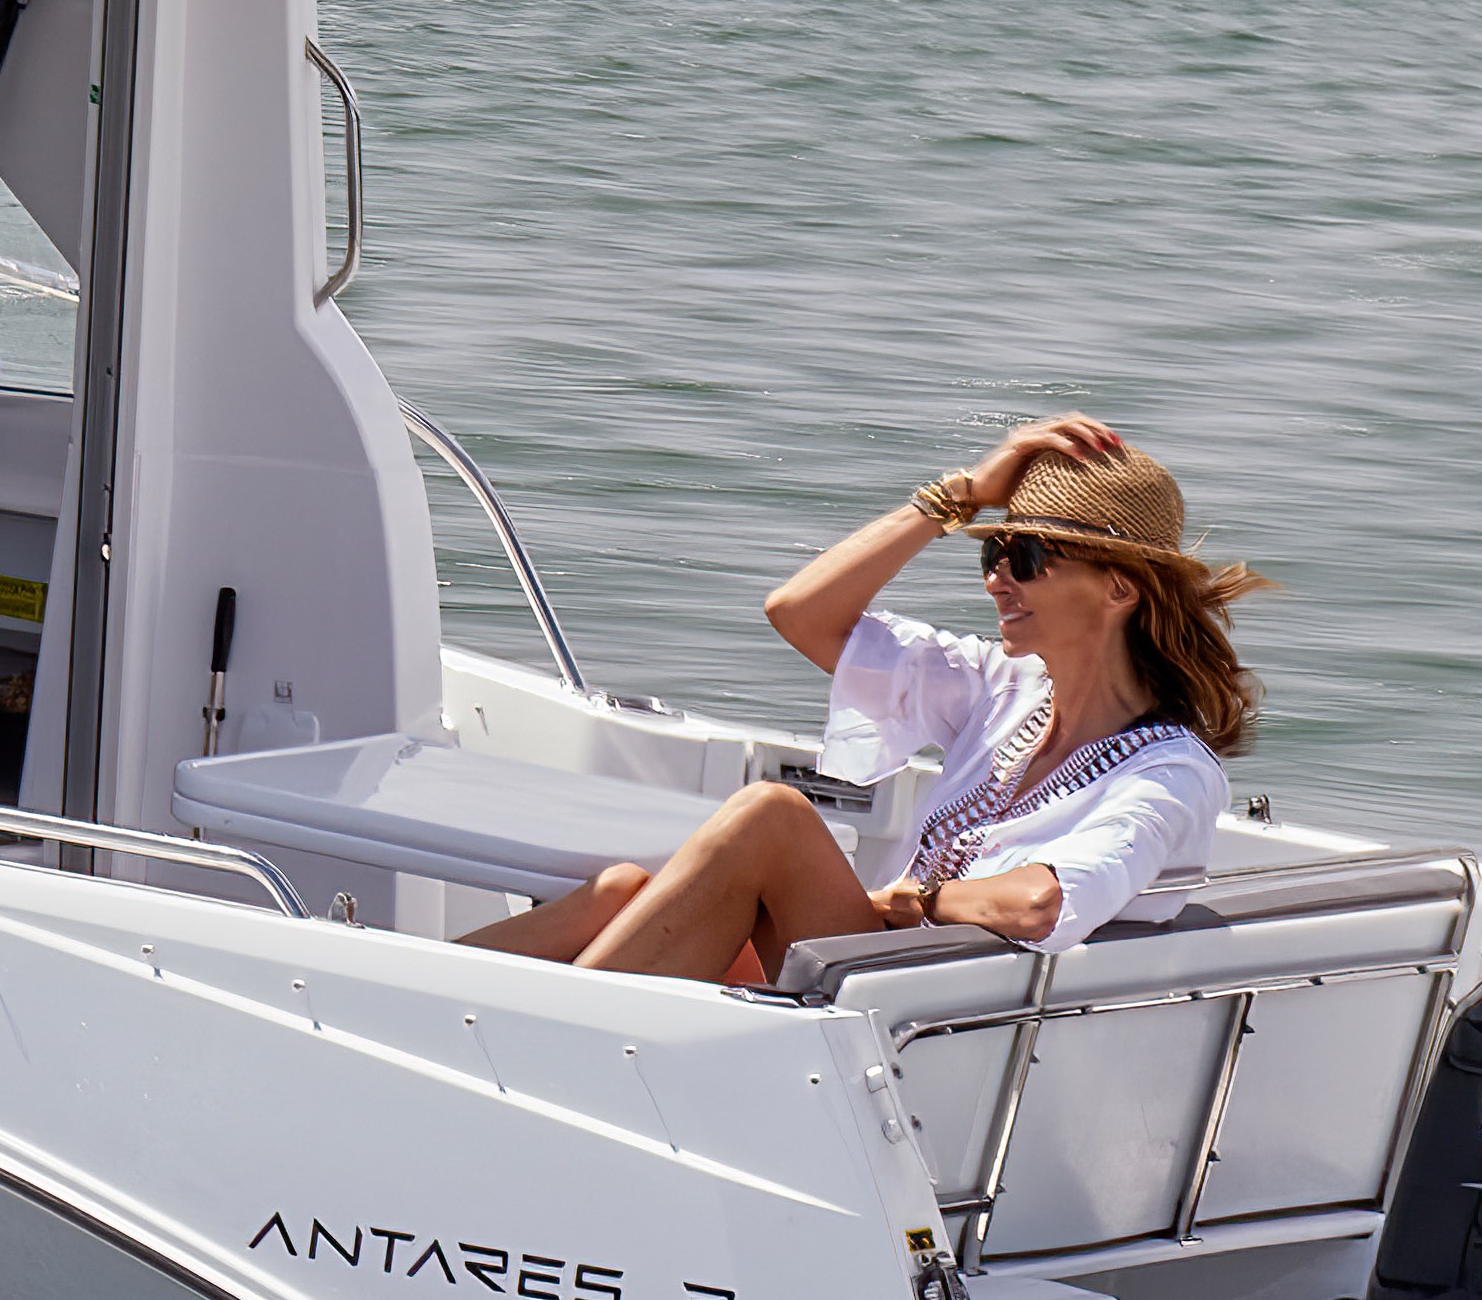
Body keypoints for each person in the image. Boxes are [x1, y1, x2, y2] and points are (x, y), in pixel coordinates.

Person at [462, 415, 1272, 985]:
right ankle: (383, 997)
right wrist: (953, 495)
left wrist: (919, 898)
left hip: (929, 1022)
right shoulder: (1005, 689)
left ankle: (541, 1046)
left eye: (1025, 556)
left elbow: (1039, 903)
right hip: (873, 974)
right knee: (619, 893)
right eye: (991, 550)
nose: (996, 576)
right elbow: (800, 611)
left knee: (771, 820)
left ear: (1119, 588)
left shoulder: (1168, 777)